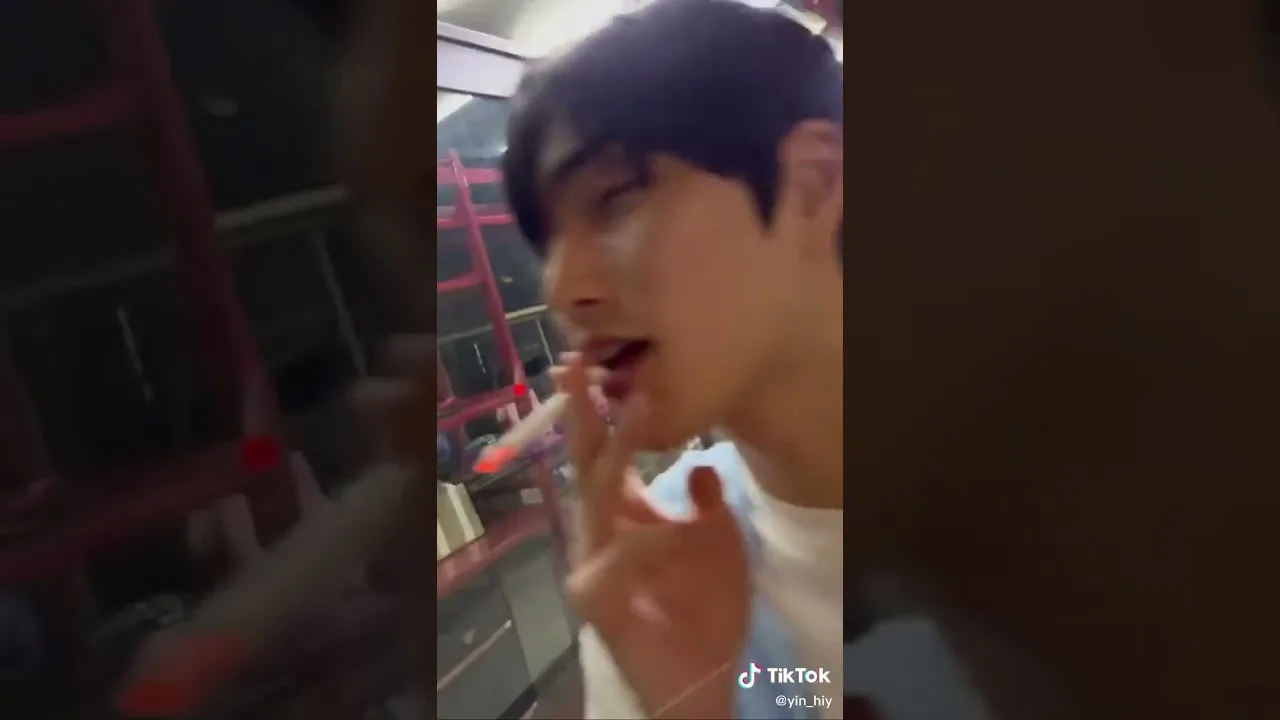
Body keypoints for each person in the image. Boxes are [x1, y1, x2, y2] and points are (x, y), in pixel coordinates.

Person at [499, 2, 980, 718]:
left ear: (815, 182)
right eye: (547, 242)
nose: (561, 289)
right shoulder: (655, 568)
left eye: (616, 198)